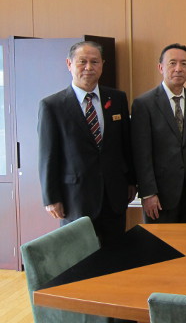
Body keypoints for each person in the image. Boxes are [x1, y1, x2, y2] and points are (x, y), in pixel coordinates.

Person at [38, 41, 136, 245]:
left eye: (94, 62)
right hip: (75, 199)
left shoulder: (117, 98)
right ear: (69, 64)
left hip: (114, 196)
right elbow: (48, 155)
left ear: (102, 65)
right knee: (80, 261)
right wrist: (51, 197)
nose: (89, 67)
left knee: (115, 257)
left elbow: (125, 144)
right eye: (82, 62)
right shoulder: (52, 106)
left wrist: (131, 181)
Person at [131, 43, 186, 223]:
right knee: (159, 248)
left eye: (184, 64)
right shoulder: (144, 104)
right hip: (159, 196)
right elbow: (141, 154)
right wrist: (148, 193)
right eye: (172, 63)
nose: (178, 69)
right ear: (160, 67)